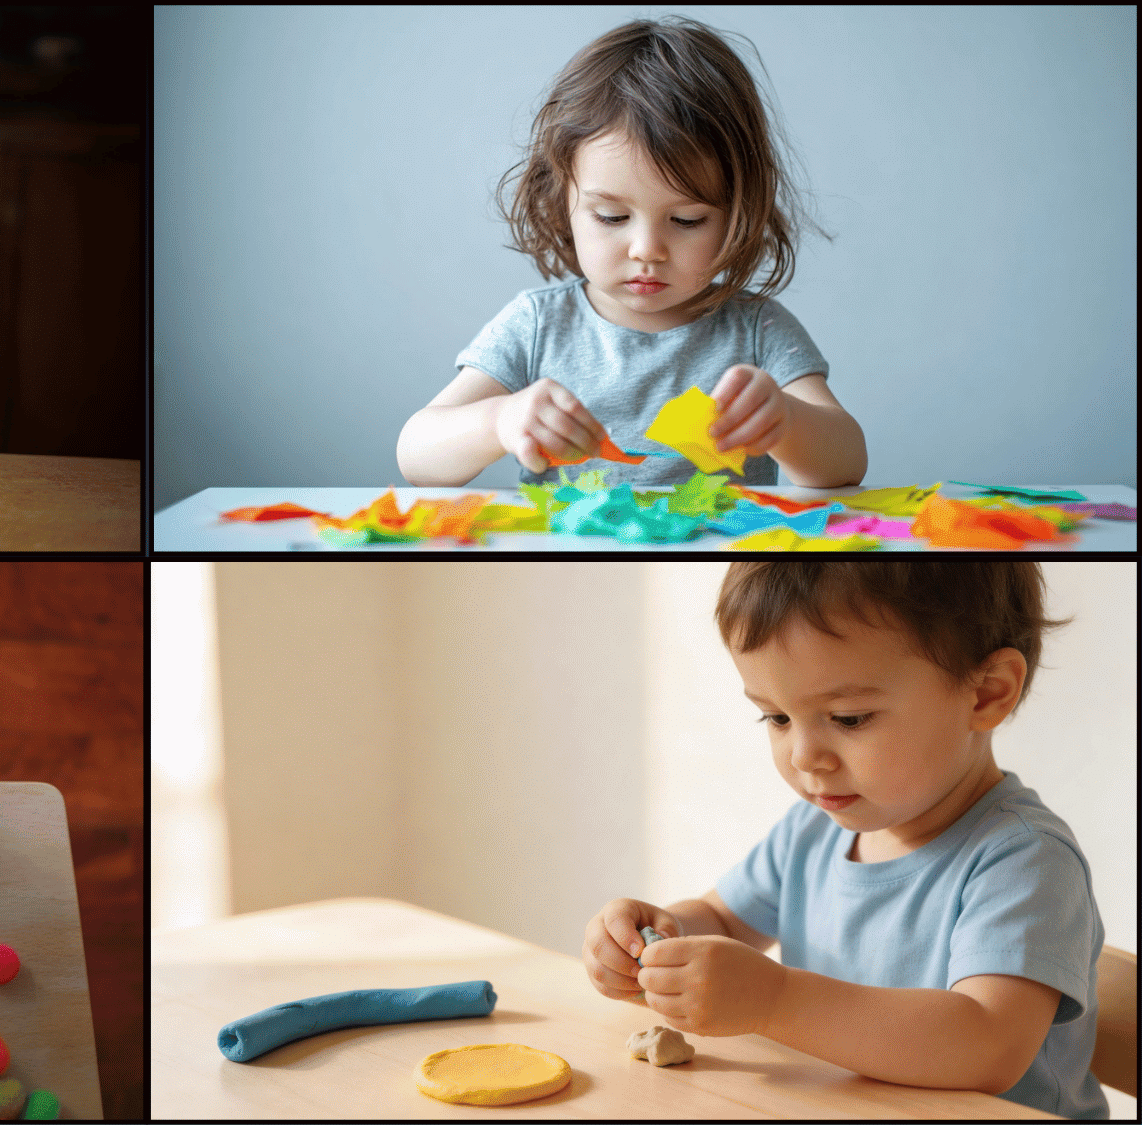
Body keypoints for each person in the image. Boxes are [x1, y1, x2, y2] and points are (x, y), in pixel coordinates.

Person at [583, 561, 1104, 1119]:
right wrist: (659, 941)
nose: (805, 756)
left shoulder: (1024, 859)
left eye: (849, 718)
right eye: (777, 718)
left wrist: (774, 1000)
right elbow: (725, 920)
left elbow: (987, 1045)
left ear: (985, 694)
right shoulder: (814, 832)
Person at [399, 16, 865, 490]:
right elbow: (416, 454)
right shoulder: (537, 327)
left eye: (687, 221)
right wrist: (498, 421)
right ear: (564, 201)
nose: (647, 250)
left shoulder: (756, 330)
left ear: (738, 212)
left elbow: (847, 462)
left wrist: (785, 422)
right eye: (611, 217)